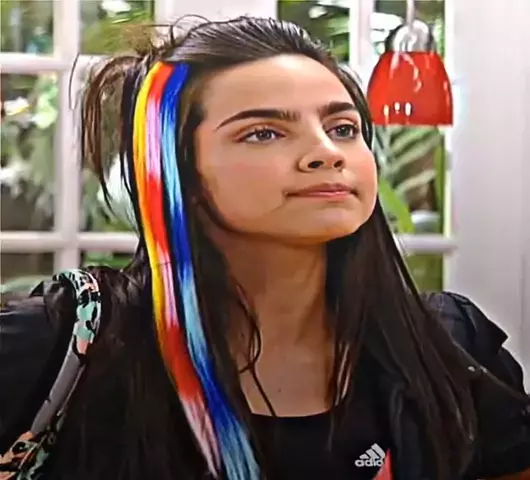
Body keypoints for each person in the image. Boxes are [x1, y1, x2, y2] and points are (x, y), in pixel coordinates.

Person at [0, 16, 529, 480]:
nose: (326, 152)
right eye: (263, 133)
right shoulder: (62, 342)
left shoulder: (451, 347)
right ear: (180, 172)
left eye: (343, 127)